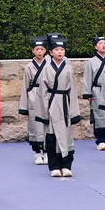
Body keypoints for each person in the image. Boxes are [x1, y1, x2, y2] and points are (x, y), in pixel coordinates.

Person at [35, 37, 81, 178]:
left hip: (64, 102)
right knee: (52, 135)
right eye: (56, 49)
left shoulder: (68, 68)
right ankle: (54, 166)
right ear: (51, 52)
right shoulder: (46, 68)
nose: (60, 52)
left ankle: (66, 165)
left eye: (62, 49)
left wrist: (74, 112)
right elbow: (42, 92)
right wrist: (43, 111)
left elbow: (72, 90)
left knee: (67, 135)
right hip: (52, 102)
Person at [18, 36, 49, 165]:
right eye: (37, 49)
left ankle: (46, 152)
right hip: (33, 95)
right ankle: (37, 152)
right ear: (33, 51)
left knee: (46, 124)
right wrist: (24, 106)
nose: (39, 51)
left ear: (45, 50)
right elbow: (25, 85)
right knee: (34, 124)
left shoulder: (49, 64)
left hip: (46, 94)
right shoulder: (29, 67)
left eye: (42, 49)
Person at [83, 35, 105, 152]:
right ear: (95, 47)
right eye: (100, 43)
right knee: (99, 115)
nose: (103, 45)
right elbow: (87, 78)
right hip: (97, 90)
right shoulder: (91, 62)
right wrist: (88, 93)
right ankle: (100, 140)